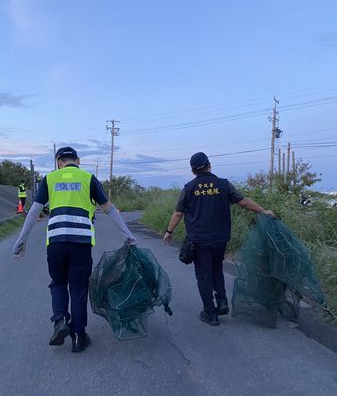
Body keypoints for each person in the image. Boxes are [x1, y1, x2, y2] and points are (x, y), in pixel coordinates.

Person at [13, 147, 136, 353]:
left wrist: (21, 240)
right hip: (81, 243)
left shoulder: (50, 178)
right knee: (78, 288)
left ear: (58, 161)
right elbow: (109, 209)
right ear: (77, 161)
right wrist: (128, 235)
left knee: (58, 283)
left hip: (56, 243)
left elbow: (34, 210)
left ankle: (60, 320)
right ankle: (78, 337)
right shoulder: (88, 178)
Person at [163, 152, 275, 326]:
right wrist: (264, 211)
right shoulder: (223, 184)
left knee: (203, 275)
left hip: (199, 241)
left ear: (193, 170)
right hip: (220, 239)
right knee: (217, 268)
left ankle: (210, 313)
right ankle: (222, 302)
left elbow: (178, 213)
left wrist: (169, 231)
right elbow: (244, 202)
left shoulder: (189, 187)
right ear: (209, 165)